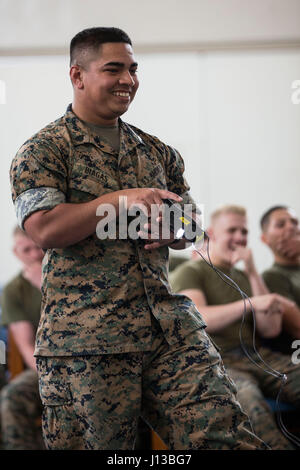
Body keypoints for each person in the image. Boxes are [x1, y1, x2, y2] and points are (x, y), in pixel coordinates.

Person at [10, 27, 267, 451]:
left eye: (133, 69)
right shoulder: (44, 151)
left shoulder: (156, 151)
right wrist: (120, 199)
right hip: (87, 344)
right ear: (78, 76)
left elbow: (191, 228)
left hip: (168, 331)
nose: (127, 80)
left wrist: (176, 229)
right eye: (113, 69)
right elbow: (44, 229)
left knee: (226, 438)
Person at [170, 204, 300, 450]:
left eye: (244, 231)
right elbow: (200, 317)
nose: (240, 237)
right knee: (249, 403)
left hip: (258, 356)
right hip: (219, 362)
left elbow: (270, 329)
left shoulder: (243, 277)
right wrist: (251, 303)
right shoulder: (192, 271)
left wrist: (252, 272)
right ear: (212, 234)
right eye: (232, 230)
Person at [0, 227, 44, 450]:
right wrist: (50, 378)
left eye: (39, 247)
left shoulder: (72, 280)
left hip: (89, 362)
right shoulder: (13, 290)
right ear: (17, 253)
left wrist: (45, 283)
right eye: (27, 249)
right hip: (43, 371)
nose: (35, 255)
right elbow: (27, 346)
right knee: (12, 397)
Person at [260, 206, 300, 354]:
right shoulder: (272, 277)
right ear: (265, 239)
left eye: (295, 222)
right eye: (281, 224)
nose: (291, 227)